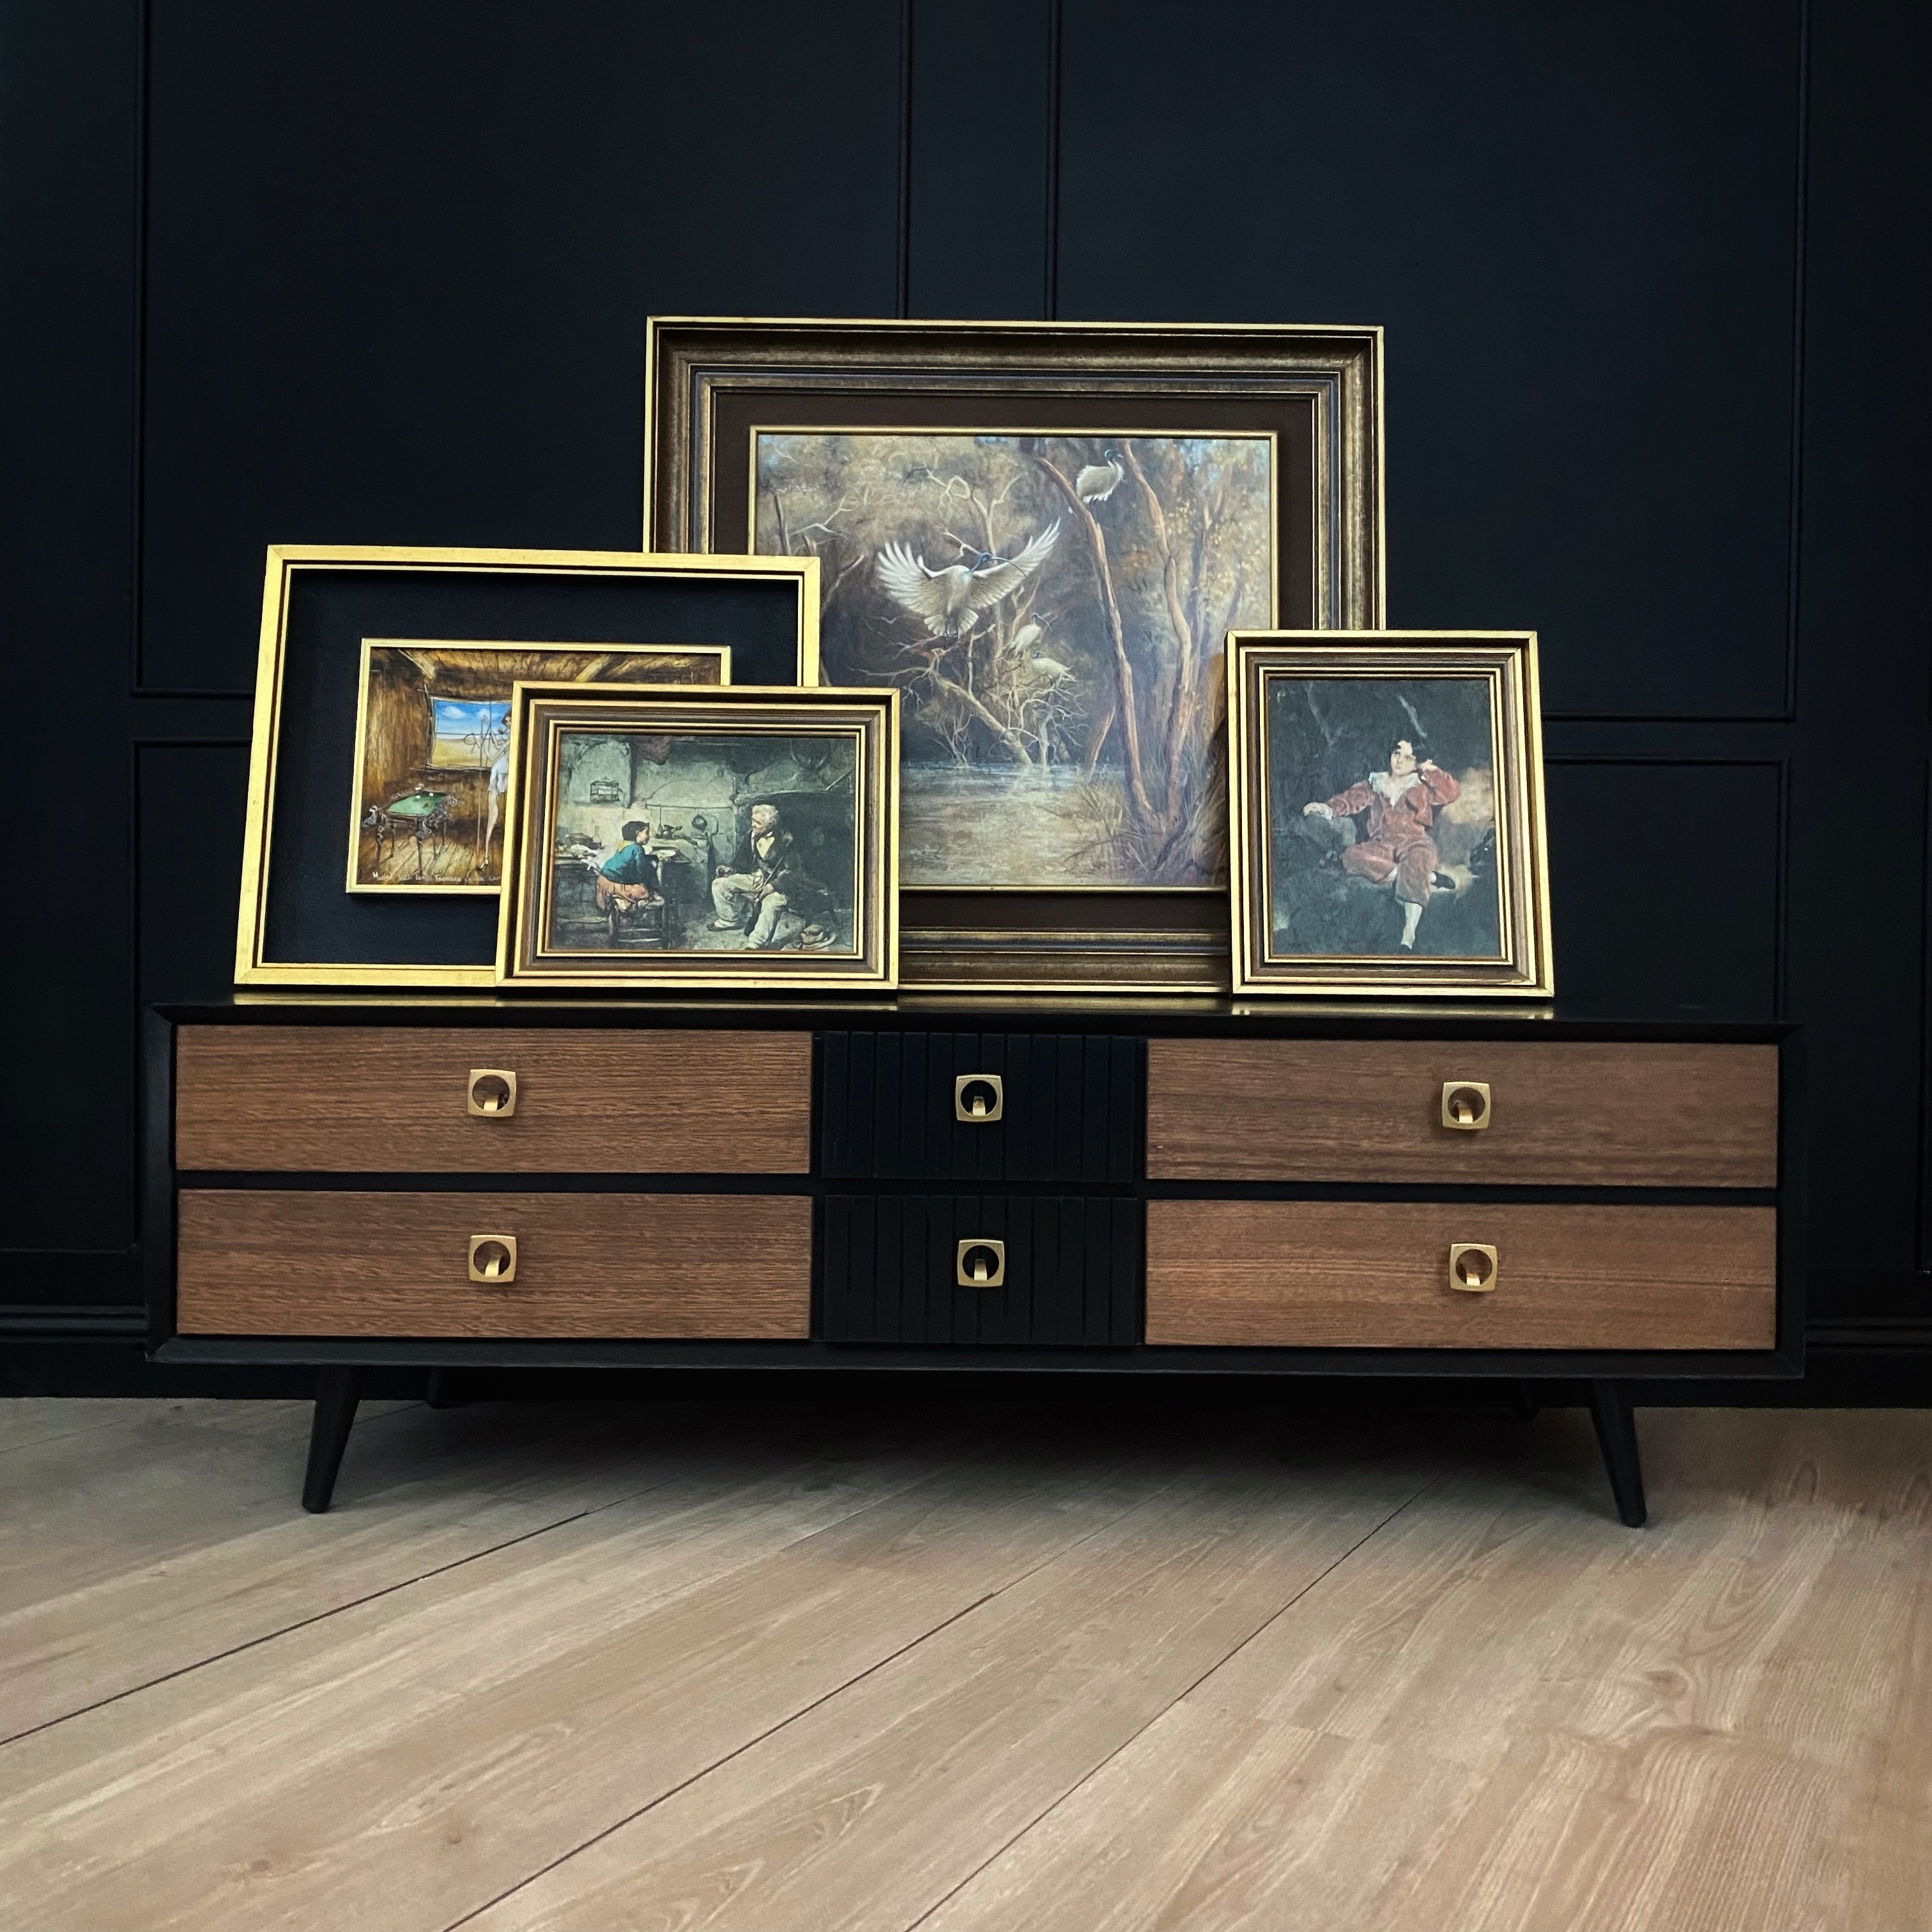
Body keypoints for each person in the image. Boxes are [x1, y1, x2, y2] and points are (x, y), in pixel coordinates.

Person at [1303, 737, 1459, 949]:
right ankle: (1425, 876)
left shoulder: (1420, 786)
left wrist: (1428, 769)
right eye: (1396, 754)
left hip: (1414, 842)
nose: (1399, 761)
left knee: (1418, 858)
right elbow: (1350, 800)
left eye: (1408, 757)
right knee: (1352, 856)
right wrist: (1325, 808)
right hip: (1381, 845)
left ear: (1416, 763)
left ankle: (1408, 934)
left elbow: (1450, 793)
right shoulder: (1376, 782)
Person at [710, 802, 831, 949]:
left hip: (784, 883)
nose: (753, 825)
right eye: (753, 821)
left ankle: (756, 943)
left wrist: (773, 886)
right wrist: (730, 869)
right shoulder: (752, 834)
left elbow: (794, 871)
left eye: (758, 823)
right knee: (720, 883)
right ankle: (729, 920)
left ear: (770, 824)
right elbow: (742, 860)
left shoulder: (787, 840)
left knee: (771, 902)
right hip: (760, 876)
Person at [594, 820, 661, 916]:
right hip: (615, 885)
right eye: (646, 833)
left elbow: (629, 860)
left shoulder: (624, 844)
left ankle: (622, 901)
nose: (649, 836)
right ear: (637, 833)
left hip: (603, 881)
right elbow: (642, 871)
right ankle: (625, 903)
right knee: (644, 892)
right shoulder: (637, 849)